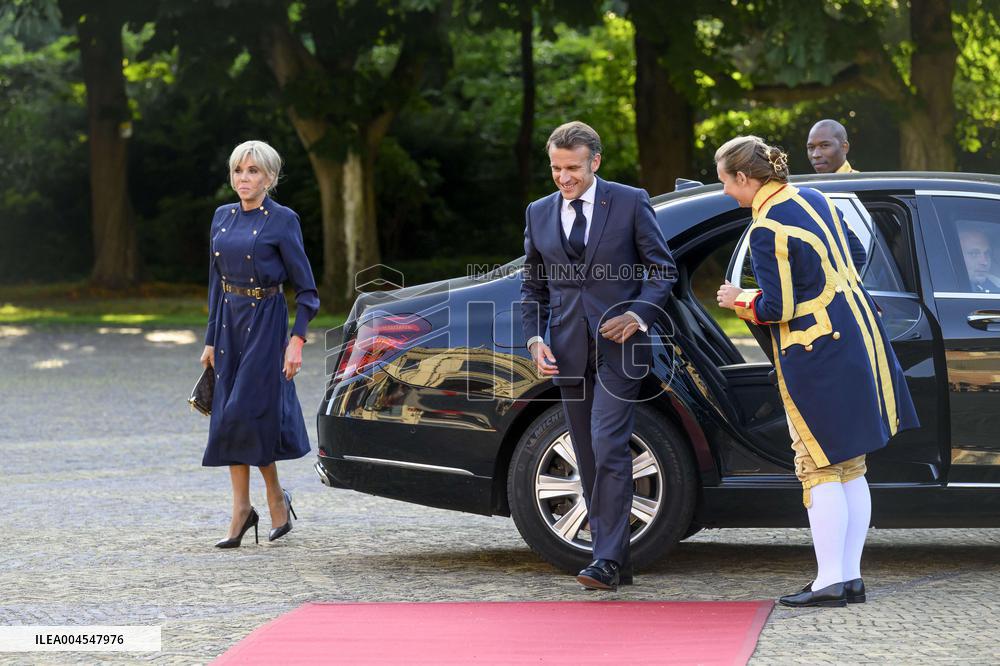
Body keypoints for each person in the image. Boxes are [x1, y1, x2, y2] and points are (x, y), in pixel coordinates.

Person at [714, 136, 918, 607]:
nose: (725, 191)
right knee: (851, 464)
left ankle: (830, 581)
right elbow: (856, 251)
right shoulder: (813, 196)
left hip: (816, 352)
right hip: (856, 335)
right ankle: (849, 577)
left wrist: (736, 299)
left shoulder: (767, 227)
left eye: (726, 181)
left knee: (818, 465)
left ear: (744, 178)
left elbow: (776, 305)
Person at [521, 121, 677, 590]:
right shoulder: (538, 212)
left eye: (572, 168)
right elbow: (532, 285)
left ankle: (605, 559)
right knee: (586, 453)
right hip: (566, 349)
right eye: (556, 168)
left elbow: (661, 268)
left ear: (596, 162)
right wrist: (533, 339)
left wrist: (639, 314)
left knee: (609, 444)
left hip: (622, 348)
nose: (564, 177)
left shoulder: (629, 201)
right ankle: (616, 560)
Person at [200, 140, 320, 548]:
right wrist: (211, 340)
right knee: (233, 417)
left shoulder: (283, 220)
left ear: (269, 177)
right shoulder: (222, 217)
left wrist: (296, 341)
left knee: (243, 413)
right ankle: (253, 506)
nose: (244, 178)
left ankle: (264, 501)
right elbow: (216, 284)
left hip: (266, 323)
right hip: (229, 327)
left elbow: (307, 292)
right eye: (238, 170)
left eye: (253, 171)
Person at [958, 227, 1000, 292]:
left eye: (987, 254)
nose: (985, 262)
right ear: (957, 255)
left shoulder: (996, 285)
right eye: (973, 254)